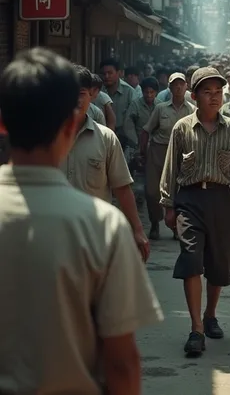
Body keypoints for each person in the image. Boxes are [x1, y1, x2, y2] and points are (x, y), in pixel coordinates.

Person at [0, 48, 161, 394]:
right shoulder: (103, 226)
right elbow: (121, 362)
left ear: (2, 123)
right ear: (71, 123)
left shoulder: (105, 217)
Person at [160, 67, 230, 357]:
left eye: (218, 92)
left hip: (220, 199)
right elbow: (171, 168)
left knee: (219, 262)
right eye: (207, 92)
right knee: (191, 258)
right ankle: (196, 328)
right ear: (194, 96)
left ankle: (211, 314)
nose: (214, 98)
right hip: (189, 199)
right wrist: (168, 205)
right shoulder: (182, 128)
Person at [62, 65, 150, 262]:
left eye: (82, 93)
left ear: (92, 95)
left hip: (96, 238)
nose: (75, 99)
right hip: (55, 239)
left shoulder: (106, 139)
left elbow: (122, 188)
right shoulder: (45, 139)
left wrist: (137, 230)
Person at [141, 73, 195, 240]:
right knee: (152, 192)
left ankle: (175, 227)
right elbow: (146, 130)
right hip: (158, 151)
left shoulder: (192, 110)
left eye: (181, 84)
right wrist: (142, 152)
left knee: (178, 192)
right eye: (174, 85)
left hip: (181, 153)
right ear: (169, 87)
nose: (178, 87)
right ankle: (155, 223)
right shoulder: (161, 108)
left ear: (186, 86)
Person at [100, 57, 135, 147]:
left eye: (110, 73)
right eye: (104, 74)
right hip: (101, 136)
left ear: (118, 73)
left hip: (124, 138)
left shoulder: (129, 92)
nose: (107, 76)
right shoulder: (98, 91)